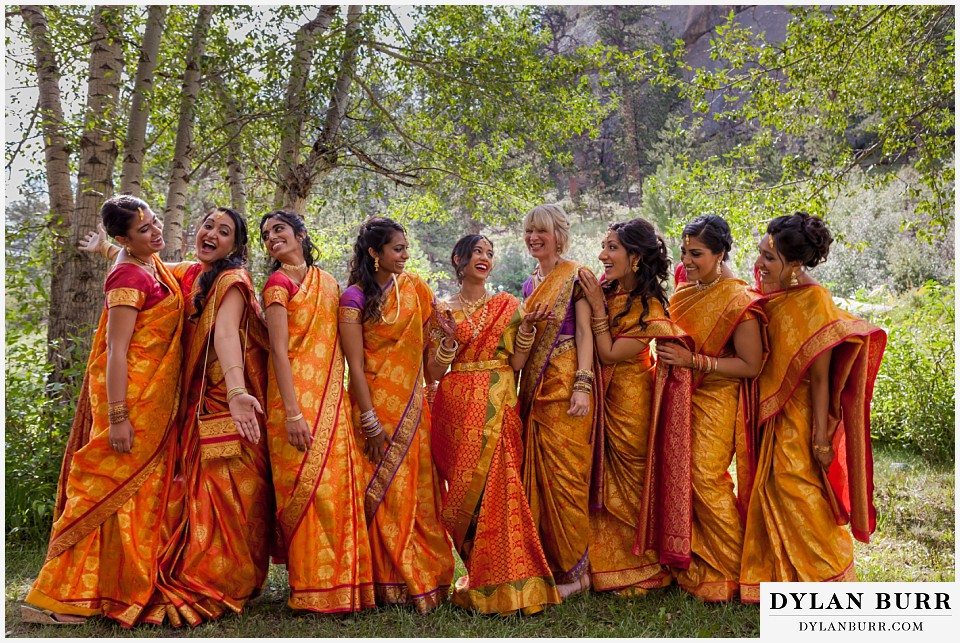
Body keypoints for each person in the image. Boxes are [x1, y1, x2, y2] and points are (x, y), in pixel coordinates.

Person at [23, 196, 184, 627]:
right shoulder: (128, 276)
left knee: (136, 499)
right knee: (105, 492)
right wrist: (117, 417)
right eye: (145, 229)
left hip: (154, 400)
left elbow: (127, 257)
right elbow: (116, 351)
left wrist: (104, 249)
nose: (155, 231)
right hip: (131, 399)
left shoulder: (146, 263)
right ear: (124, 238)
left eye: (154, 222)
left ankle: (115, 587)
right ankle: (59, 596)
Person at [740, 213, 886, 601]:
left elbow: (820, 378)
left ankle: (827, 580)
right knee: (770, 487)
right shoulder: (771, 294)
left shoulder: (815, 300)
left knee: (797, 489)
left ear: (796, 263)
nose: (759, 265)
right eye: (759, 255)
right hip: (770, 410)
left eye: (769, 259)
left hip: (802, 414)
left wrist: (821, 437)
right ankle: (782, 579)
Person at [151, 208, 275, 625]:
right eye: (208, 225)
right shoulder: (190, 274)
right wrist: (109, 252)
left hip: (227, 400)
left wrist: (239, 392)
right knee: (196, 493)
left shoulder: (231, 281)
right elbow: (149, 265)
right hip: (193, 402)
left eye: (224, 232)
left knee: (229, 493)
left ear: (235, 247)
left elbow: (224, 334)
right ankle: (198, 571)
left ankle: (224, 579)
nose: (212, 234)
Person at [430, 234, 561, 615]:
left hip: (499, 401)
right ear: (459, 258)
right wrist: (447, 347)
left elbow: (518, 363)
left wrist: (525, 332)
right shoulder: (442, 311)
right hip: (455, 406)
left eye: (490, 253)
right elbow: (434, 370)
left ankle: (514, 581)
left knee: (502, 489)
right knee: (466, 494)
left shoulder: (508, 305)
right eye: (477, 252)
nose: (485, 258)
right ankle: (481, 575)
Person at [259, 210, 376, 613]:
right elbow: (277, 351)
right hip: (292, 404)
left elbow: (344, 343)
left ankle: (345, 586)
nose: (273, 237)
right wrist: (292, 413)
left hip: (331, 399)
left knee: (338, 492)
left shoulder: (327, 283)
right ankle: (310, 589)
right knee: (305, 494)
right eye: (266, 235)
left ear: (301, 235)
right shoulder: (276, 285)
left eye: (280, 230)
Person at [338, 216, 454, 613]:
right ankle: (381, 580)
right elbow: (353, 364)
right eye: (397, 249)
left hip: (412, 408)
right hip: (371, 408)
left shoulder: (416, 290)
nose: (405, 256)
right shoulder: (353, 297)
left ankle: (418, 575)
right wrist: (369, 421)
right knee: (381, 491)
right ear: (375, 253)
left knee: (416, 493)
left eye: (406, 248)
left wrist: (447, 344)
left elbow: (432, 364)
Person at [655, 214, 765, 602]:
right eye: (684, 252)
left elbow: (751, 365)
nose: (687, 261)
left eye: (697, 253)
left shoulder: (740, 301)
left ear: (720, 253)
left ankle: (738, 570)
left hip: (718, 394)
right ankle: (702, 562)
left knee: (705, 477)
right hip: (679, 394)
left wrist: (694, 363)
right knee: (680, 475)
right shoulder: (685, 293)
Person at [577, 219, 688, 596]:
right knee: (601, 479)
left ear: (635, 257)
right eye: (603, 246)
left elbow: (608, 354)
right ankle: (600, 563)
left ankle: (639, 567)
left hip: (631, 403)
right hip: (598, 401)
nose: (602, 255)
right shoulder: (608, 291)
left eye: (612, 248)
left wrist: (593, 304)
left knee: (629, 483)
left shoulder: (650, 306)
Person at [517, 204, 596, 599]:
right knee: (542, 476)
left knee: (567, 477)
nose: (534, 238)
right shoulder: (531, 284)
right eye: (529, 231)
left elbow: (585, 334)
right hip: (536, 384)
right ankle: (551, 564)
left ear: (558, 235)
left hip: (567, 386)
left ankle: (577, 572)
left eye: (541, 231)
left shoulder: (576, 275)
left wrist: (583, 383)